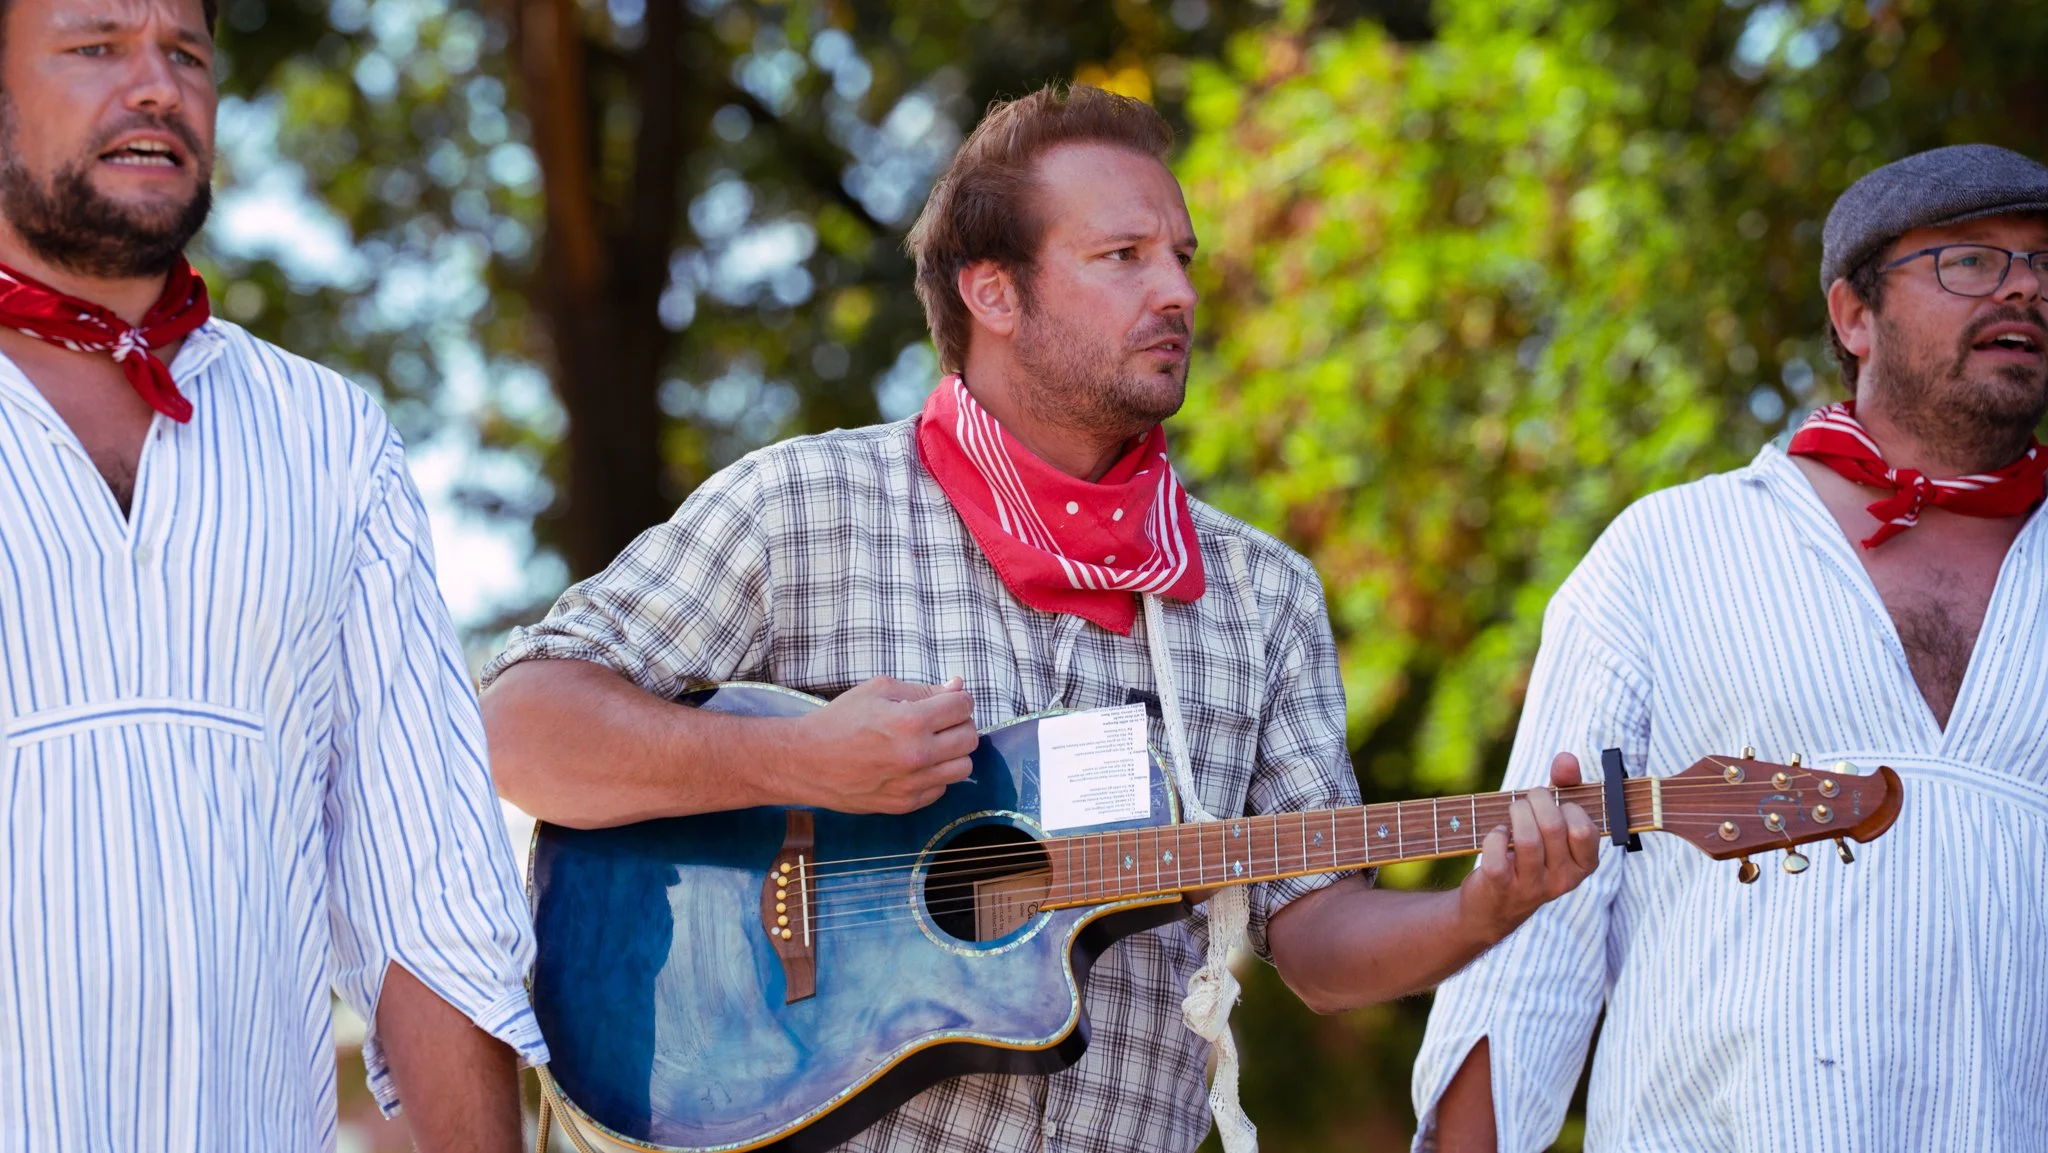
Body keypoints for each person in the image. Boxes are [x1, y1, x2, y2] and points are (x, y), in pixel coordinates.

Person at [482, 83, 1598, 1153]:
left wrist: (1479, 910)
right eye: (1122, 257)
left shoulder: (1260, 595)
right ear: (992, 293)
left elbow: (1312, 938)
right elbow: (517, 730)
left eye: (1181, 258)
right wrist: (797, 760)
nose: (1177, 292)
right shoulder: (802, 507)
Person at [1413, 144, 2048, 1151]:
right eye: (1969, 259)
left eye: (2041, 264)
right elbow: (1537, 924)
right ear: (1852, 315)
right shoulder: (1669, 551)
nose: (2022, 285)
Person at [0, 1, 545, 1149]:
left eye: (186, 55)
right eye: (97, 47)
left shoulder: (329, 437)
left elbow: (430, 898)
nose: (157, 85)